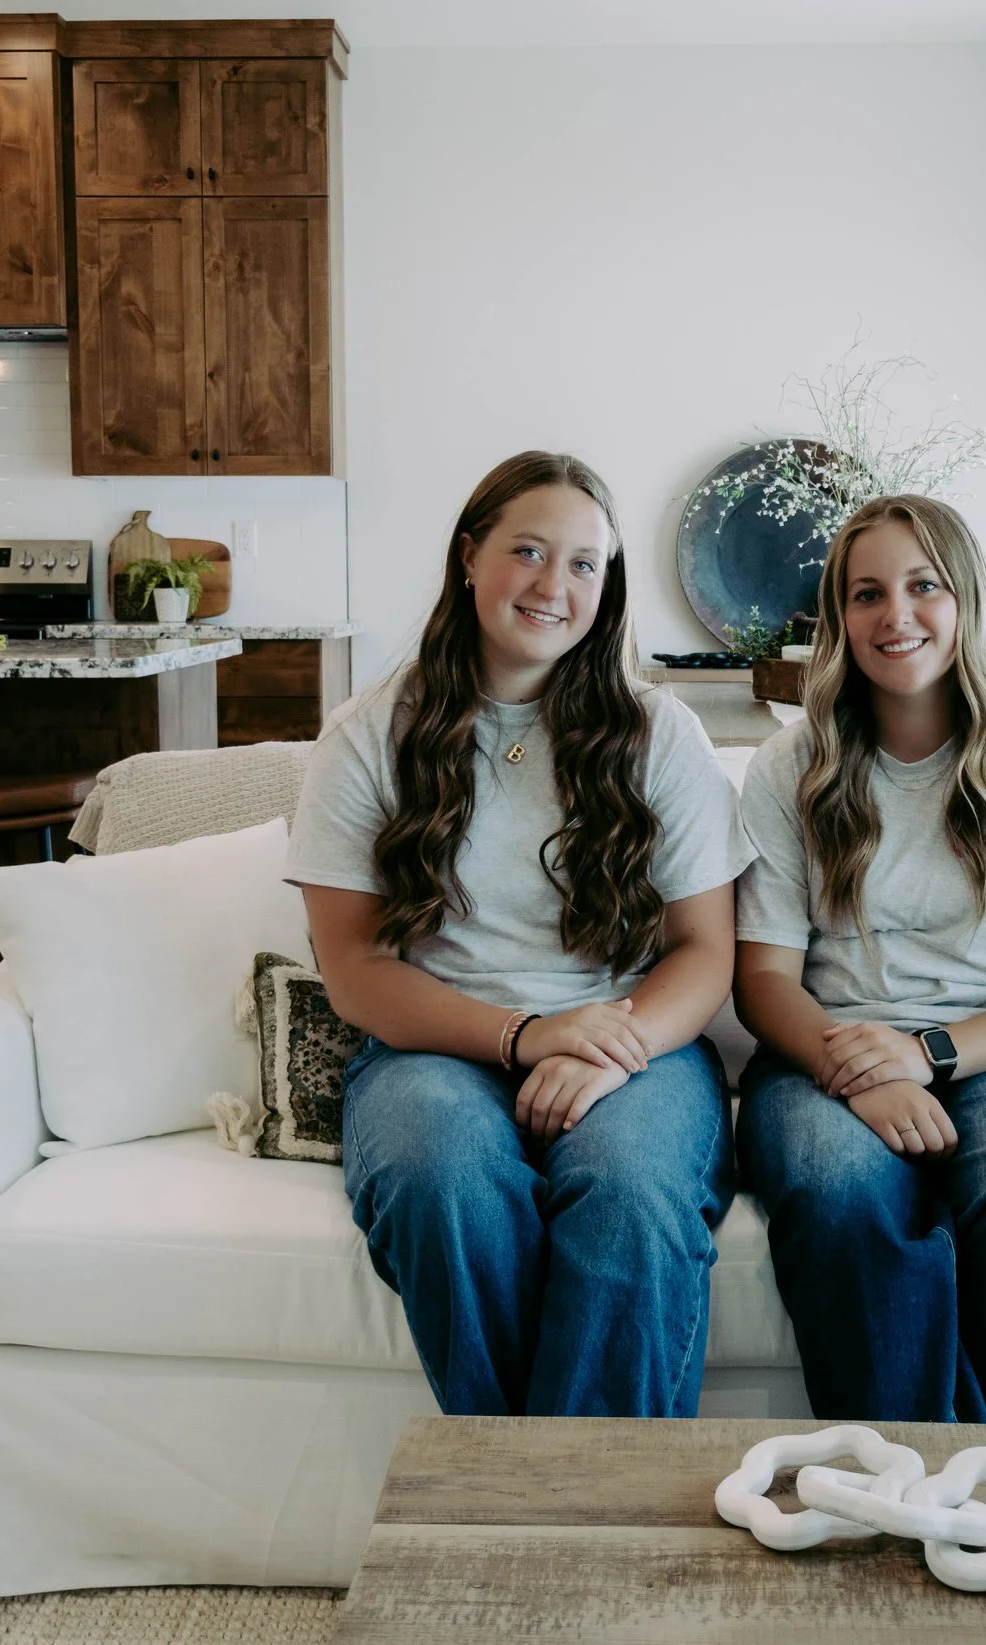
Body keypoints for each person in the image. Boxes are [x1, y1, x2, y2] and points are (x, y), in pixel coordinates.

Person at [287, 451, 751, 1417]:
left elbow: (705, 949)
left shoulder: (661, 734)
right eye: (528, 551)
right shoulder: (367, 735)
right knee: (439, 1175)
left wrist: (612, 1048)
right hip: (433, 1051)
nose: (553, 585)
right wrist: (526, 1035)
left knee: (630, 1191)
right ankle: (529, 1486)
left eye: (584, 564)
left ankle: (571, 1499)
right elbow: (357, 970)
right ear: (470, 557)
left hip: (635, 1046)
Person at [732, 493, 986, 1424]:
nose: (897, 614)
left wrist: (927, 1054)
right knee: (839, 1195)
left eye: (924, 586)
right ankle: (898, 1474)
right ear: (840, 617)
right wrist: (857, 1068)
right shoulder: (790, 765)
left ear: (967, 598)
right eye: (867, 593)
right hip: (827, 1053)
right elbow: (761, 981)